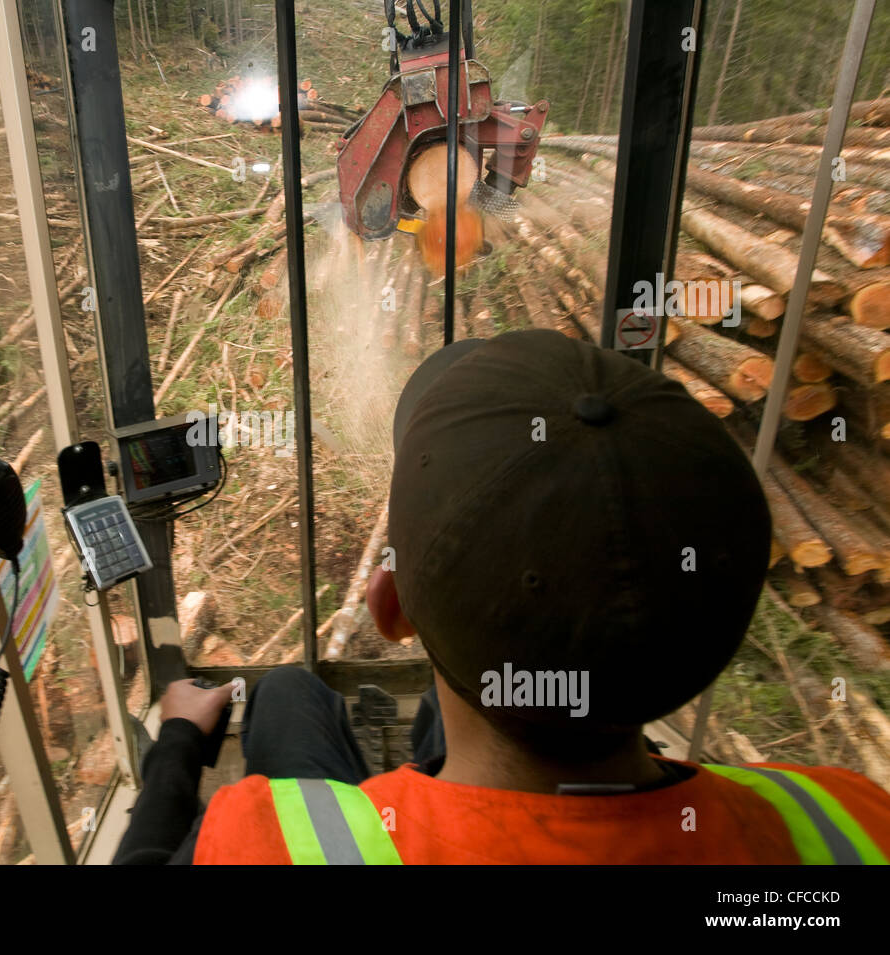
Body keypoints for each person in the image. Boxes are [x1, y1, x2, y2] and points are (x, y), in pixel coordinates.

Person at [113, 329, 890, 865]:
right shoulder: (843, 822)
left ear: (390, 606)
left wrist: (178, 741)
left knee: (285, 688)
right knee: (431, 717)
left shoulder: (259, 841)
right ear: (720, 634)